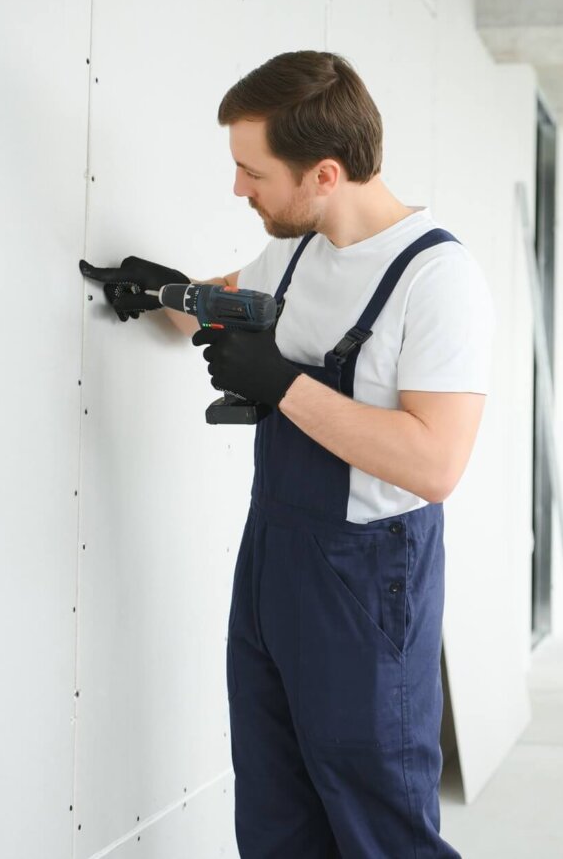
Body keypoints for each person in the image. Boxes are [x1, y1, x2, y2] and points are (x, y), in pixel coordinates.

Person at [80, 50, 492, 858]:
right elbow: (223, 306)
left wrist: (282, 384)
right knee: (276, 809)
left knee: (379, 821)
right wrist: (163, 291)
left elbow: (435, 464)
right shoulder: (298, 253)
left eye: (252, 171)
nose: (240, 189)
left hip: (369, 578)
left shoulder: (436, 279)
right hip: (274, 555)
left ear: (325, 174)